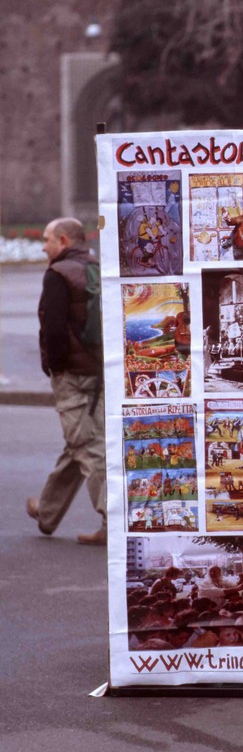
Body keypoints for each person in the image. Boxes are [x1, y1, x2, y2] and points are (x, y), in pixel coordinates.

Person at [26, 218, 107, 546]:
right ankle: (47, 512)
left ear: (62, 240)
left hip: (72, 375)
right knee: (79, 442)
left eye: (46, 240)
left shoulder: (58, 274)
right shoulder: (96, 267)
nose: (43, 246)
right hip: (99, 372)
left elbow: (54, 327)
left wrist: (55, 369)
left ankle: (112, 521)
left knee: (86, 446)